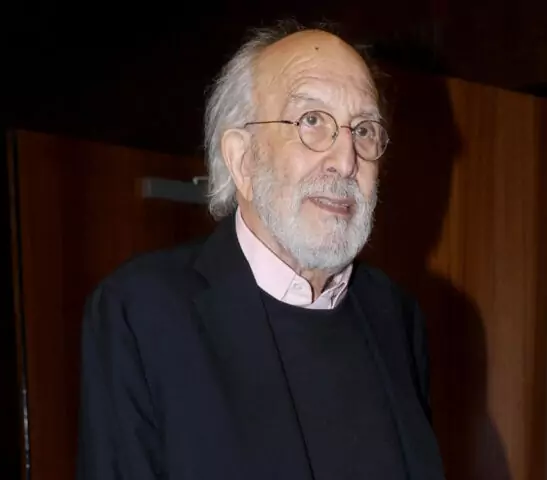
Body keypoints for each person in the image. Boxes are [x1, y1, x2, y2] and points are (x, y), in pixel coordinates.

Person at [77, 21, 445, 480]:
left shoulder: (395, 315)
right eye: (312, 121)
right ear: (243, 159)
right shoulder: (142, 314)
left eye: (365, 129)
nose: (346, 160)